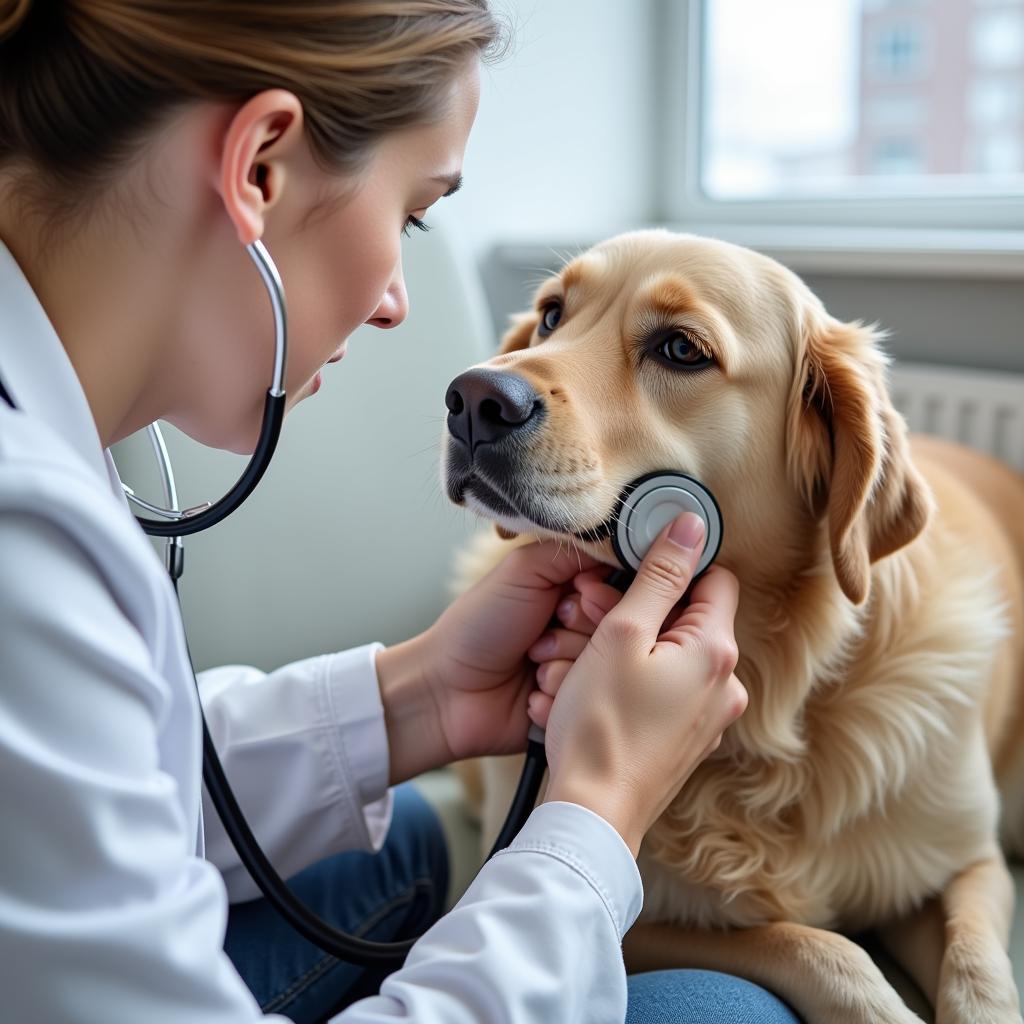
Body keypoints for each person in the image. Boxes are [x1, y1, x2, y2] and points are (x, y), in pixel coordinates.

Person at [0, 2, 801, 1021]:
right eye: (413, 214)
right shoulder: (20, 540)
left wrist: (417, 697)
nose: (395, 302)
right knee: (722, 1010)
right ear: (260, 168)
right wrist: (593, 807)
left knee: (410, 835)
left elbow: (89, 795)